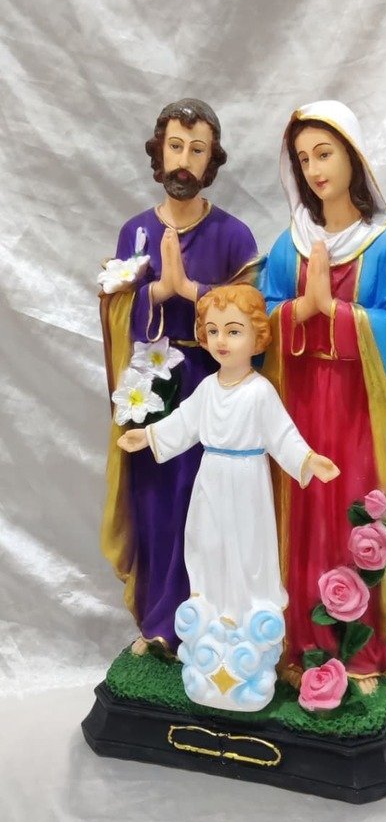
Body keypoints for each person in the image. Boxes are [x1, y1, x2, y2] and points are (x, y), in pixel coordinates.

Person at [118, 284, 339, 711]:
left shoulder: (259, 392)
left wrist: (308, 460)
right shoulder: (207, 388)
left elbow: (282, 435)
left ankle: (245, 623)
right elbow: (183, 423)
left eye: (234, 331)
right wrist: (147, 436)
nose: (221, 340)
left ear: (257, 338)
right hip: (212, 480)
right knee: (207, 546)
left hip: (247, 482)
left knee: (248, 552)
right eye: (214, 330)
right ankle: (211, 617)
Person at [259, 100, 386, 694]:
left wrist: (336, 312)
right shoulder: (291, 243)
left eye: (324, 154)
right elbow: (262, 317)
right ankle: (300, 644)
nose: (315, 169)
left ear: (353, 157)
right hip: (299, 404)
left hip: (357, 409)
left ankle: (361, 652)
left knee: (354, 512)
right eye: (304, 159)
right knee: (303, 518)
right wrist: (302, 309)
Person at [100, 99, 261, 657]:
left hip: (213, 386)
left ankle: (210, 618)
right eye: (175, 146)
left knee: (206, 501)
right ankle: (159, 623)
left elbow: (255, 315)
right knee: (155, 503)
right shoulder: (136, 231)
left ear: (211, 160)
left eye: (197, 150)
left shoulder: (234, 236)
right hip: (153, 386)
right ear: (159, 152)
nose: (184, 161)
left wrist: (192, 292)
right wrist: (156, 293)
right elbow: (114, 311)